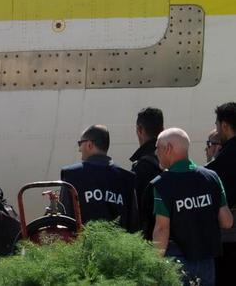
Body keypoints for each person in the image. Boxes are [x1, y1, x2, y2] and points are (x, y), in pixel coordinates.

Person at [152, 128, 233, 286]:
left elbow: (162, 229)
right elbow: (227, 221)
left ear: (168, 148)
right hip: (207, 263)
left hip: (176, 263)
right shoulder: (212, 177)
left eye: (158, 147)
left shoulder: (161, 184)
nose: (156, 153)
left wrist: (153, 265)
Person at [60, 125, 137, 231]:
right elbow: (133, 224)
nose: (79, 149)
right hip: (119, 246)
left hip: (81, 245)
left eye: (80, 144)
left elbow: (64, 218)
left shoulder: (71, 175)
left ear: (89, 145)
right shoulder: (127, 178)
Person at [207, 103, 236, 285]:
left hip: (229, 238)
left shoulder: (224, 159)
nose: (217, 131)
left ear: (225, 125)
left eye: (217, 125)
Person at [131, 107, 163, 238]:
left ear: (139, 130)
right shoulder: (172, 160)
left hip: (150, 237)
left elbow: (136, 209)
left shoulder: (140, 167)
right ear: (162, 130)